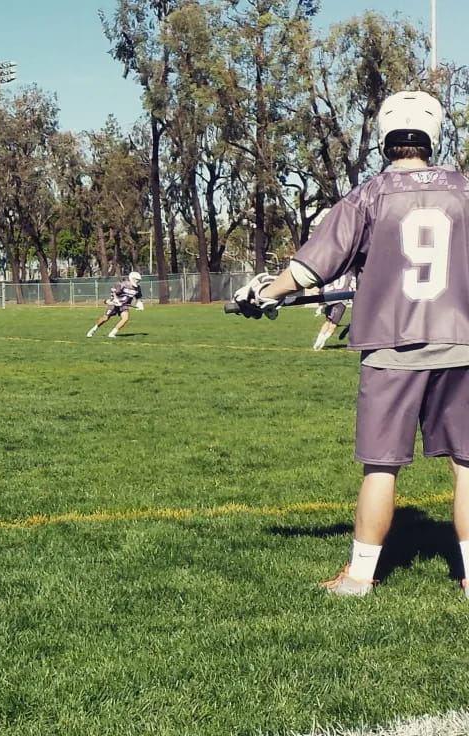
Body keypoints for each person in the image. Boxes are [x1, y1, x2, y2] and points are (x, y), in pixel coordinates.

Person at [232, 90, 469, 598]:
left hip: (390, 347)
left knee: (382, 466)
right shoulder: (463, 189)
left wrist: (263, 292)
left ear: (386, 136)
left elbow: (308, 267)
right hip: (462, 343)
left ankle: (360, 577)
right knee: (468, 465)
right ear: (433, 135)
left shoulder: (369, 195)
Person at [86, 272, 144, 338]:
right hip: (115, 304)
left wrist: (140, 304)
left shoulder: (137, 288)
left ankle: (112, 333)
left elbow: (138, 297)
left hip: (124, 305)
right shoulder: (123, 284)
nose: (137, 281)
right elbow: (114, 292)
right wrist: (115, 300)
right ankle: (93, 329)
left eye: (138, 280)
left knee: (125, 318)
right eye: (136, 279)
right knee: (105, 318)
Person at [312, 272, 355, 350]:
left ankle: (317, 342)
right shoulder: (349, 273)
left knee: (327, 321)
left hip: (329, 298)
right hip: (340, 299)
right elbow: (353, 284)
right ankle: (322, 341)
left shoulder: (332, 271)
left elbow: (321, 288)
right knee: (334, 324)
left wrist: (321, 304)